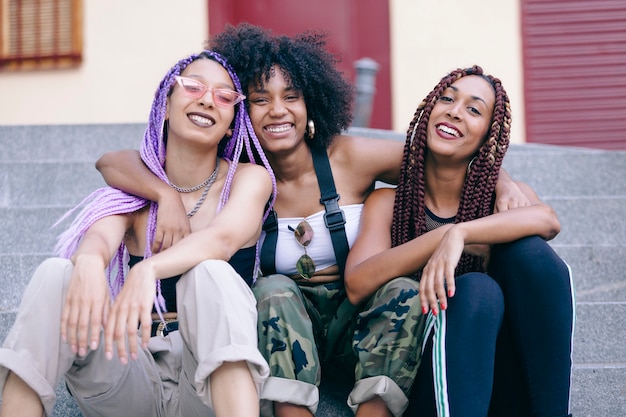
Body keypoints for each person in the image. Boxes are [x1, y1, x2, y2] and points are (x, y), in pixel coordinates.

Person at [94, 24, 529, 417]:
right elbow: (113, 161)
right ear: (242, 112)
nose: (277, 111)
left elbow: (439, 157)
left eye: (291, 97)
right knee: (273, 288)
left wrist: (501, 181)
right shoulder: (237, 172)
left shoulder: (349, 157)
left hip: (360, 325)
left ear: (311, 103)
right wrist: (163, 192)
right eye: (260, 99)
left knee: (403, 289)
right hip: (281, 331)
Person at [0, 50, 276, 417]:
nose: (208, 99)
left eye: (224, 96)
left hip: (208, 384)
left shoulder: (247, 179)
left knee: (210, 272)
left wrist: (148, 268)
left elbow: (222, 240)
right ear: (165, 105)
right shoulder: (137, 188)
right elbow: (99, 236)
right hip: (131, 371)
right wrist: (86, 261)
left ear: (230, 124)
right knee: (56, 272)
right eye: (193, 87)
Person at [344, 65, 575, 417]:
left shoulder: (504, 199)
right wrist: (440, 238)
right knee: (478, 289)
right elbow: (358, 283)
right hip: (425, 382)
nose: (454, 110)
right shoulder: (389, 203)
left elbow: (547, 220)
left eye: (473, 109)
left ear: (487, 136)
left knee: (530, 253)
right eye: (447, 99)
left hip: (504, 384)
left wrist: (462, 232)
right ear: (428, 113)